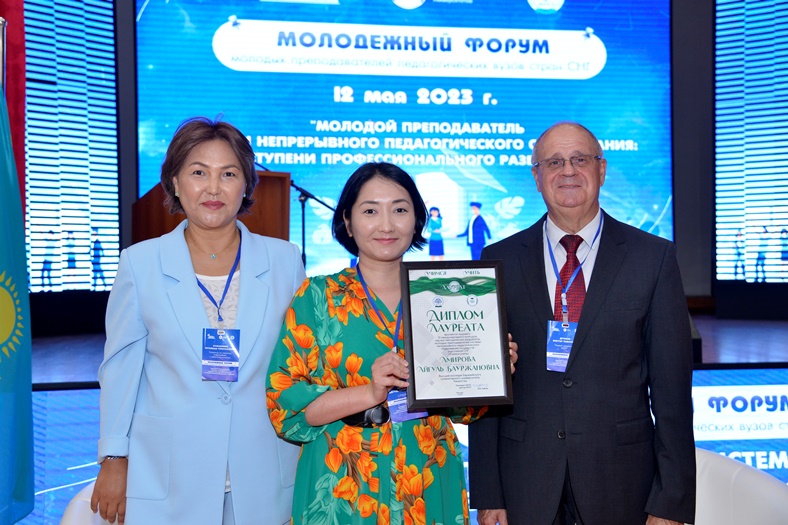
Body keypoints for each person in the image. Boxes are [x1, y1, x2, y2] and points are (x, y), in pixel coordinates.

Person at [468, 122, 696, 525]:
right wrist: (489, 493)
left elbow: (673, 394)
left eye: (580, 159)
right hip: (525, 481)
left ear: (601, 170)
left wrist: (670, 503)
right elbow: (488, 387)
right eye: (554, 162)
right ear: (536, 177)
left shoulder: (653, 258)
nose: (568, 171)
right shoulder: (498, 258)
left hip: (622, 479)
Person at [265, 162, 517, 525]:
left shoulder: (448, 294)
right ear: (347, 221)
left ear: (417, 220)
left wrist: (493, 369)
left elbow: (467, 410)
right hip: (341, 485)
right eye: (370, 211)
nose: (386, 225)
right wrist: (369, 392)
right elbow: (286, 409)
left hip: (427, 476)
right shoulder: (318, 297)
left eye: (400, 210)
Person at [90, 117, 305, 525]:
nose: (213, 188)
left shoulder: (284, 260)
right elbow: (120, 369)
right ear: (174, 182)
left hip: (263, 472)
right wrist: (114, 457)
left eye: (229, 174)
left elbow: (299, 364)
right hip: (170, 473)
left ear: (247, 185)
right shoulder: (140, 263)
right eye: (198, 173)